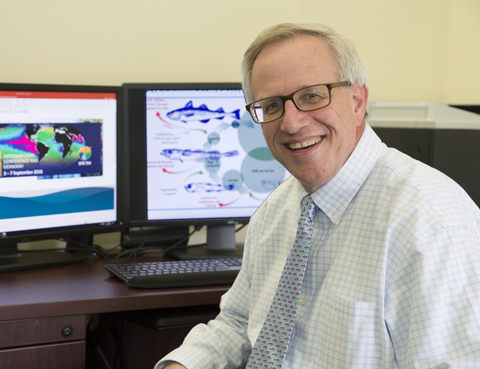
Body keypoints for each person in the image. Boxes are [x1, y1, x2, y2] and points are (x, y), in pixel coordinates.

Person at [157, 23, 480, 368]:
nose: (292, 124)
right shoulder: (277, 209)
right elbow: (239, 324)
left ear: (357, 101)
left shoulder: (427, 221)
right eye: (271, 105)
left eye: (311, 96)